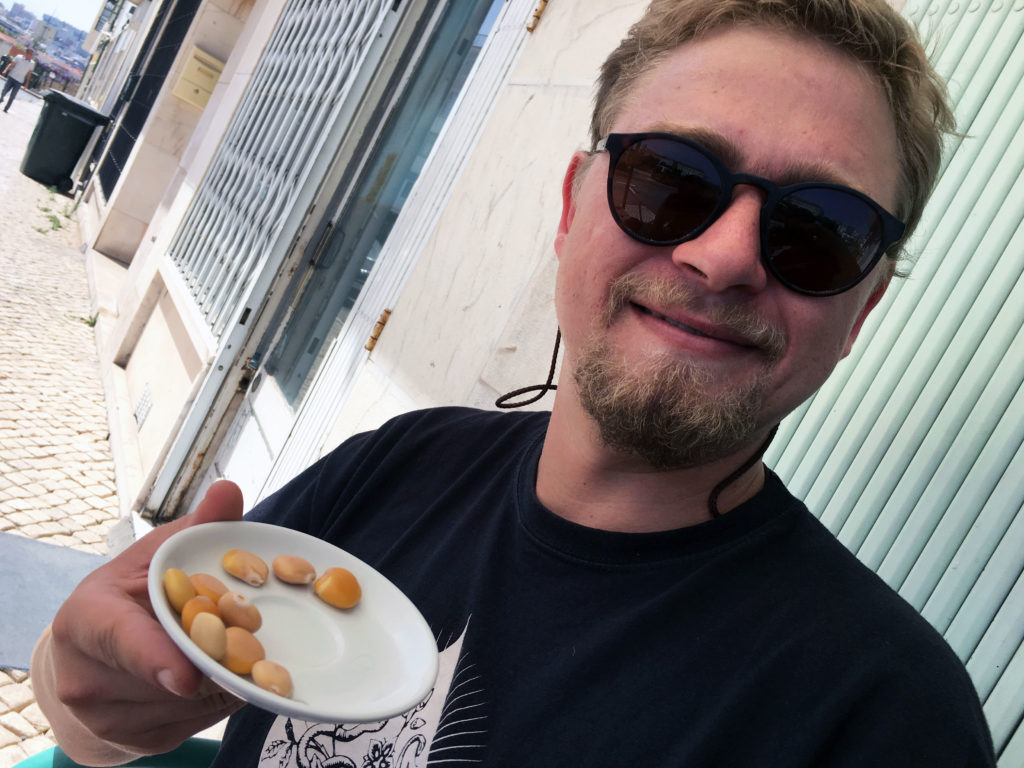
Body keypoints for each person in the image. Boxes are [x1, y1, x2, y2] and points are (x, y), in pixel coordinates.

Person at [31, 0, 998, 765]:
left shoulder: (885, 718)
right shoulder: (402, 464)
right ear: (576, 204)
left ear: (859, 314)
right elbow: (103, 717)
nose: (724, 255)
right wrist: (87, 690)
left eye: (820, 232)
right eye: (672, 177)